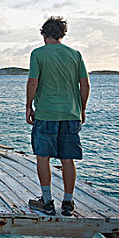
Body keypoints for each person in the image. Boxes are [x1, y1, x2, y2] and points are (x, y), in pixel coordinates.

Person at [25, 16, 90, 216]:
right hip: (70, 114)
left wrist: (28, 106)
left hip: (46, 114)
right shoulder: (75, 54)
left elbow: (33, 82)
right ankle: (68, 203)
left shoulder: (38, 54)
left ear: (44, 34)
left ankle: (47, 202)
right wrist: (82, 109)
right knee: (67, 159)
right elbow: (85, 84)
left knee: (43, 158)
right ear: (62, 34)